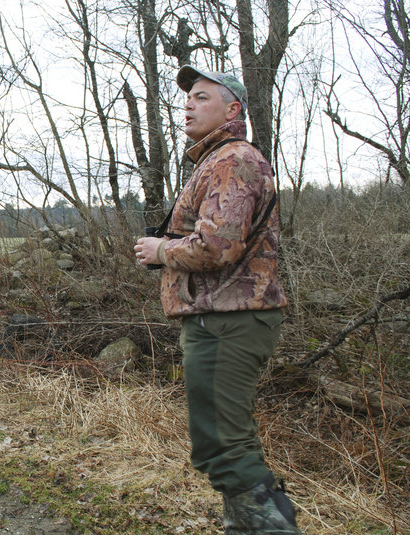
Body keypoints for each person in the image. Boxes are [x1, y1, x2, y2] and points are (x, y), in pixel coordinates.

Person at [133, 66, 301, 535]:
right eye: (187, 98)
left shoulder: (233, 159)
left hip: (230, 319)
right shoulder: (214, 161)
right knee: (219, 443)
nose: (188, 104)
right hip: (217, 318)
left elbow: (218, 246)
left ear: (233, 110)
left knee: (224, 445)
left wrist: (162, 249)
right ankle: (246, 525)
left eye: (201, 97)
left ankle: (272, 527)